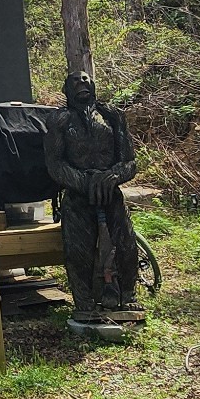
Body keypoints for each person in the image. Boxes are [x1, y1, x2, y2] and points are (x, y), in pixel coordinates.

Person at [42, 69, 141, 335]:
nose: (82, 84)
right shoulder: (60, 120)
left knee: (127, 244)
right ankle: (84, 302)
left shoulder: (112, 116)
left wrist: (112, 177)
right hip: (78, 195)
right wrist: (85, 182)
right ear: (66, 90)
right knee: (78, 251)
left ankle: (129, 294)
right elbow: (54, 165)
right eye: (75, 81)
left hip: (110, 193)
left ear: (94, 85)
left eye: (86, 79)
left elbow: (130, 160)